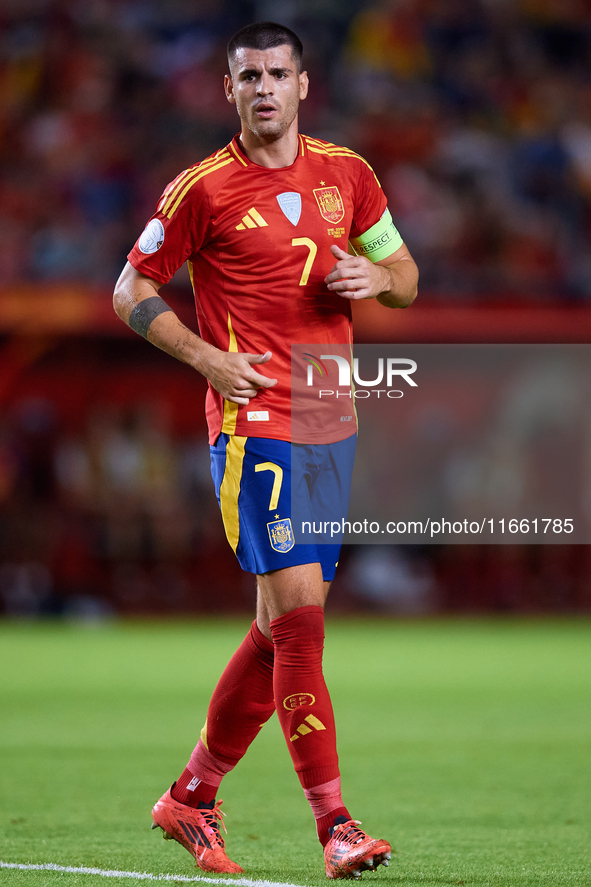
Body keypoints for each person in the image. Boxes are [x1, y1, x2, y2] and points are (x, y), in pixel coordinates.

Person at [113, 21, 418, 880]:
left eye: (277, 74)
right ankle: (336, 824)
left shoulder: (348, 175)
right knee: (300, 624)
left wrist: (377, 280)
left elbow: (407, 276)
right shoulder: (201, 190)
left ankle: (191, 795)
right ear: (228, 90)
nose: (263, 89)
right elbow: (128, 286)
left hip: (332, 421)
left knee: (273, 630)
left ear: (302, 85)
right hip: (257, 427)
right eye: (248, 76)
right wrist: (208, 358)